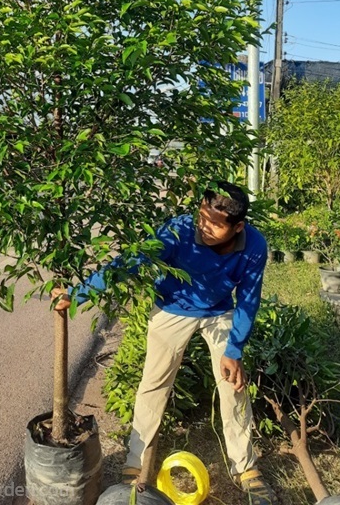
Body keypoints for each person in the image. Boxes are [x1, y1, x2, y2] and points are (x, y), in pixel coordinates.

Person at [53, 181, 278, 505]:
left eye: (214, 224)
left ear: (238, 227)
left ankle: (245, 468)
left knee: (234, 385)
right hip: (172, 309)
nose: (203, 228)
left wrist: (234, 349)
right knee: (154, 385)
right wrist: (78, 294)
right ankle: (135, 464)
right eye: (201, 217)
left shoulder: (254, 245)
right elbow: (130, 263)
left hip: (219, 312)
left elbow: (248, 298)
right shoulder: (179, 231)